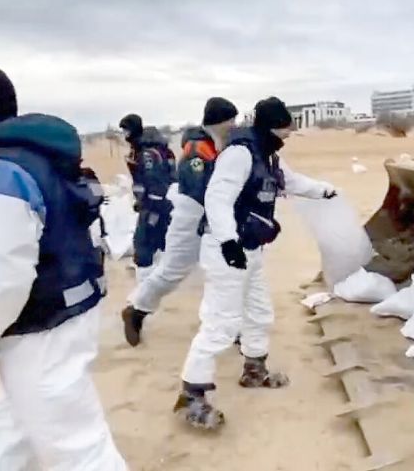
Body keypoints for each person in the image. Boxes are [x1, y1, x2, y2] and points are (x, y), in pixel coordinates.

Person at [0, 64, 126, 470]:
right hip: (69, 305)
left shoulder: (0, 169)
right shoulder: (41, 155)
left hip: (41, 323)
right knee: (13, 427)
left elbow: (1, 274)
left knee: (78, 448)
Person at [175, 96, 337, 429]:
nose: (287, 135)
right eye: (284, 129)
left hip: (251, 250)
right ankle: (191, 395)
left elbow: (292, 183)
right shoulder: (239, 154)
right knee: (221, 323)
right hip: (227, 252)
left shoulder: (267, 156)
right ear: (270, 126)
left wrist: (325, 191)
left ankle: (254, 369)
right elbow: (217, 198)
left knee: (259, 312)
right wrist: (228, 241)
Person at [122, 97, 238, 346]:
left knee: (226, 272)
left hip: (214, 219)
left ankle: (231, 327)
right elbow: (198, 188)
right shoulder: (197, 150)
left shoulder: (219, 145)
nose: (233, 124)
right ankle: (136, 309)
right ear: (219, 121)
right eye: (230, 119)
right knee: (171, 272)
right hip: (191, 217)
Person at [118, 114, 176, 284]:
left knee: (143, 245)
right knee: (160, 242)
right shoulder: (148, 148)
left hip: (155, 206)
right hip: (162, 204)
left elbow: (154, 182)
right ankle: (159, 281)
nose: (124, 134)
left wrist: (149, 206)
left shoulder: (147, 154)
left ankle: (144, 287)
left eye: (126, 130)